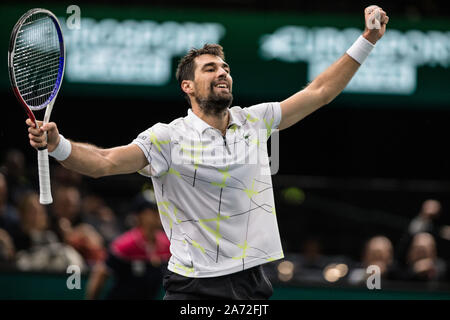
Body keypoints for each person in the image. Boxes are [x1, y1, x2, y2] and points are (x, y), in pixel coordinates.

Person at [26, 5, 389, 299]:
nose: (223, 73)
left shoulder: (255, 121)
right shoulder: (167, 138)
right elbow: (104, 163)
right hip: (195, 289)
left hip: (253, 284)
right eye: (211, 68)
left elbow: (321, 92)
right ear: (187, 85)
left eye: (226, 68)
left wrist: (367, 40)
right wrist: (59, 145)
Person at [85, 189, 170, 300]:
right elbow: (101, 274)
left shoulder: (167, 243)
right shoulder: (124, 245)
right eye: (153, 210)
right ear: (139, 215)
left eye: (160, 209)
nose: (158, 214)